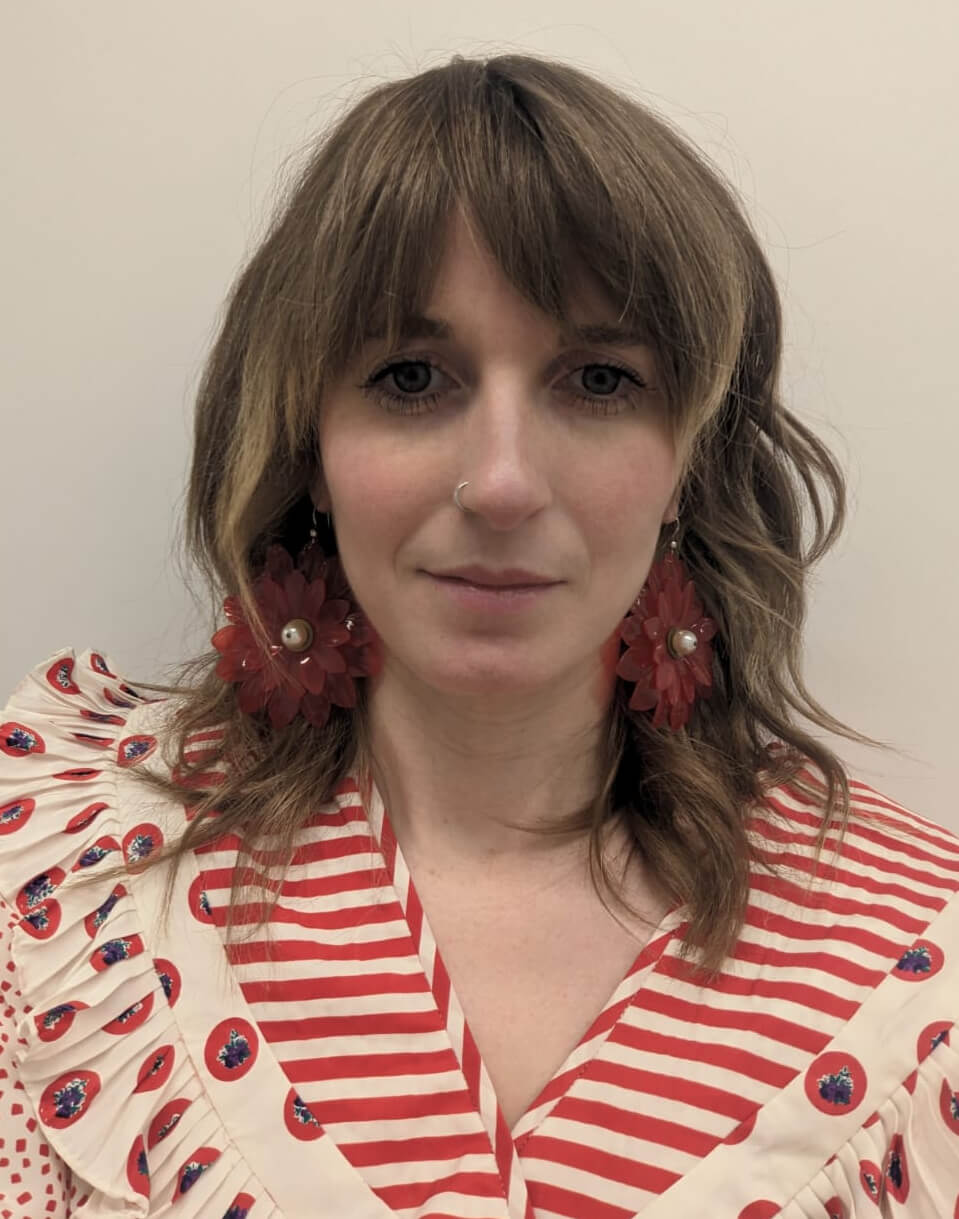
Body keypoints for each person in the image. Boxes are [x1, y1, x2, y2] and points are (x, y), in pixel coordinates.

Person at [1, 52, 956, 1219]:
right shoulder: (67, 897)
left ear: (688, 460)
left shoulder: (915, 985)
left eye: (598, 380)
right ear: (309, 444)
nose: (501, 483)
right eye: (410, 377)